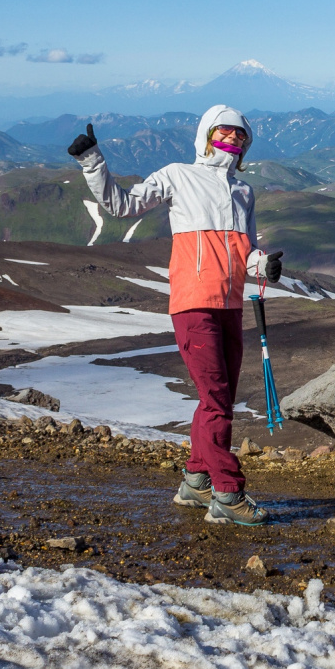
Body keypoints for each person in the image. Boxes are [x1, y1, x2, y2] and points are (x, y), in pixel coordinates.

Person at [68, 106, 282, 526]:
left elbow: (245, 253)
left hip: (231, 305)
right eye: (226, 132)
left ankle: (197, 480)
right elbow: (122, 206)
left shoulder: (243, 192)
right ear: (206, 134)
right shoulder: (178, 175)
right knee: (218, 400)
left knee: (214, 400)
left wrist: (263, 266)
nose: (234, 140)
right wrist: (92, 161)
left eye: (242, 136)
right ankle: (227, 492)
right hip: (193, 304)